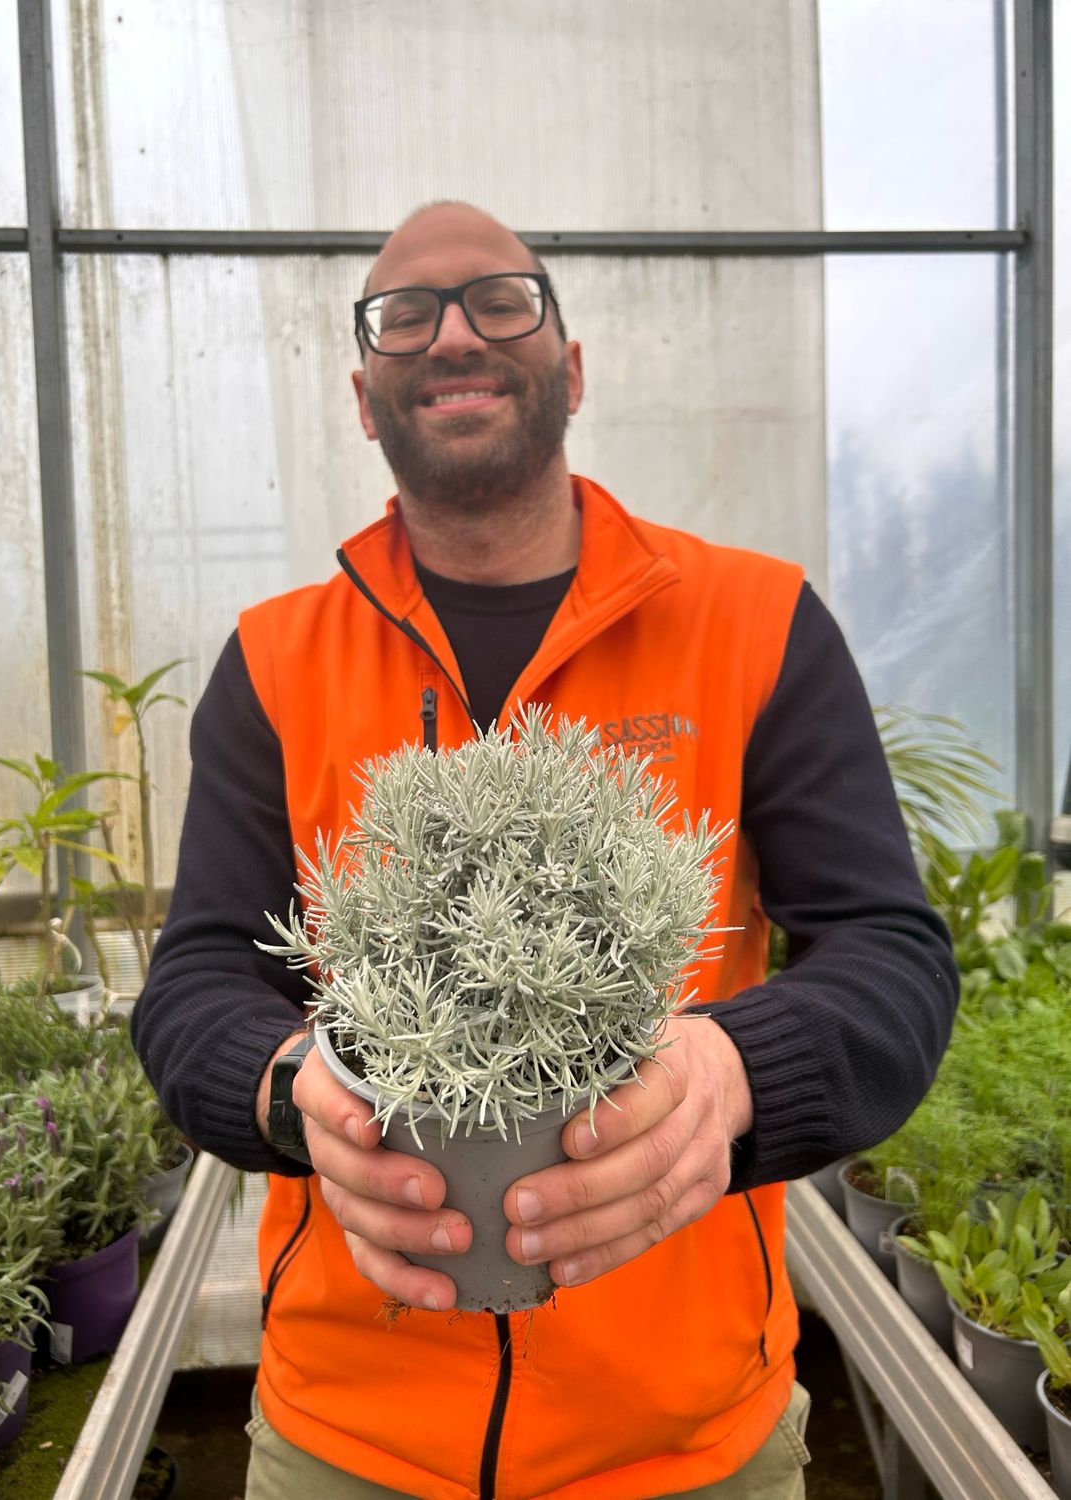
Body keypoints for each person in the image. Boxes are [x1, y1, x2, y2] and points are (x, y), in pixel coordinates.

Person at [132, 201, 958, 1500]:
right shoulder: (278, 659)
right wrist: (290, 1091)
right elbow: (195, 980)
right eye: (405, 317)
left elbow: (890, 955)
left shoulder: (754, 620)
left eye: (500, 302)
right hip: (346, 1437)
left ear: (571, 371)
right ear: (363, 398)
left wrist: (733, 1072)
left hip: (688, 1444)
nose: (454, 336)